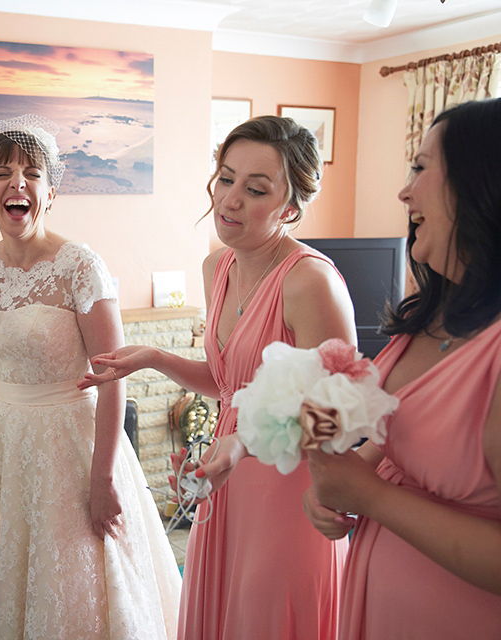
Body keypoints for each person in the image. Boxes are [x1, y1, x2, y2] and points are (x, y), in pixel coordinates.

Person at [81, 115, 357, 640]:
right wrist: (155, 357)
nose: (230, 199)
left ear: (291, 207)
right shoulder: (217, 268)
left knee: (270, 617)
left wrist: (243, 445)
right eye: (226, 178)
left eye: (255, 189)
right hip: (226, 477)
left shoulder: (311, 283)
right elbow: (230, 381)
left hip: (289, 485)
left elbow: (336, 415)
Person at [0, 114, 181, 639]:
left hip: (69, 448)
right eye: (3, 173)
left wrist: (102, 478)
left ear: (50, 192)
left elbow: (112, 377)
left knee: (70, 577)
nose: (18, 183)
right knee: (4, 569)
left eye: (32, 173)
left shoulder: (81, 266)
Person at [304, 98, 501, 639]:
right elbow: (389, 441)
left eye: (419, 167)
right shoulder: (430, 311)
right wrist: (332, 487)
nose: (403, 191)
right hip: (378, 604)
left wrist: (369, 496)